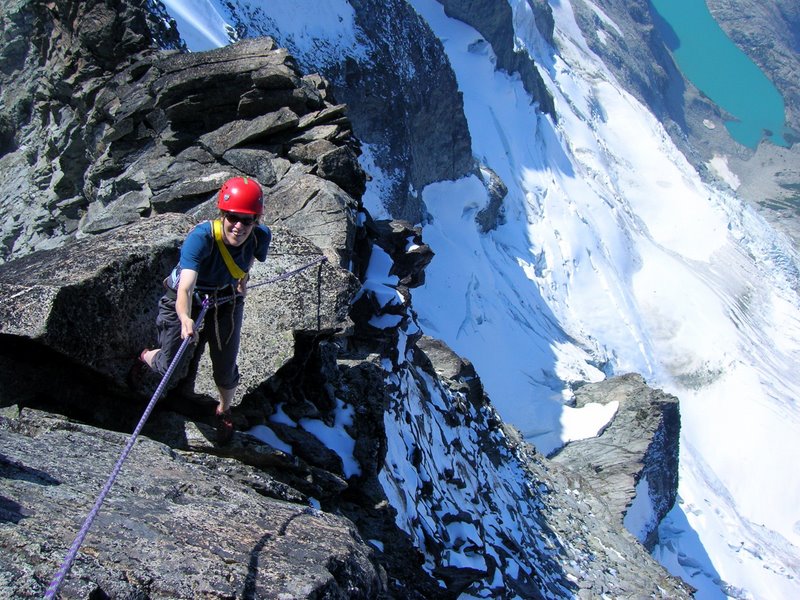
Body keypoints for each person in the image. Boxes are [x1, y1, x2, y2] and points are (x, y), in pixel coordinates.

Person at [137, 176, 272, 443]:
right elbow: (185, 287)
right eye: (233, 217)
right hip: (191, 298)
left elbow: (247, 261)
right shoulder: (201, 238)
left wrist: (242, 280)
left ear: (256, 221)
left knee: (225, 367)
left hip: (225, 299)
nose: (239, 226)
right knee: (170, 366)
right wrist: (186, 319)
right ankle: (147, 355)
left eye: (247, 220)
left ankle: (223, 409)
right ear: (222, 213)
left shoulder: (259, 237)